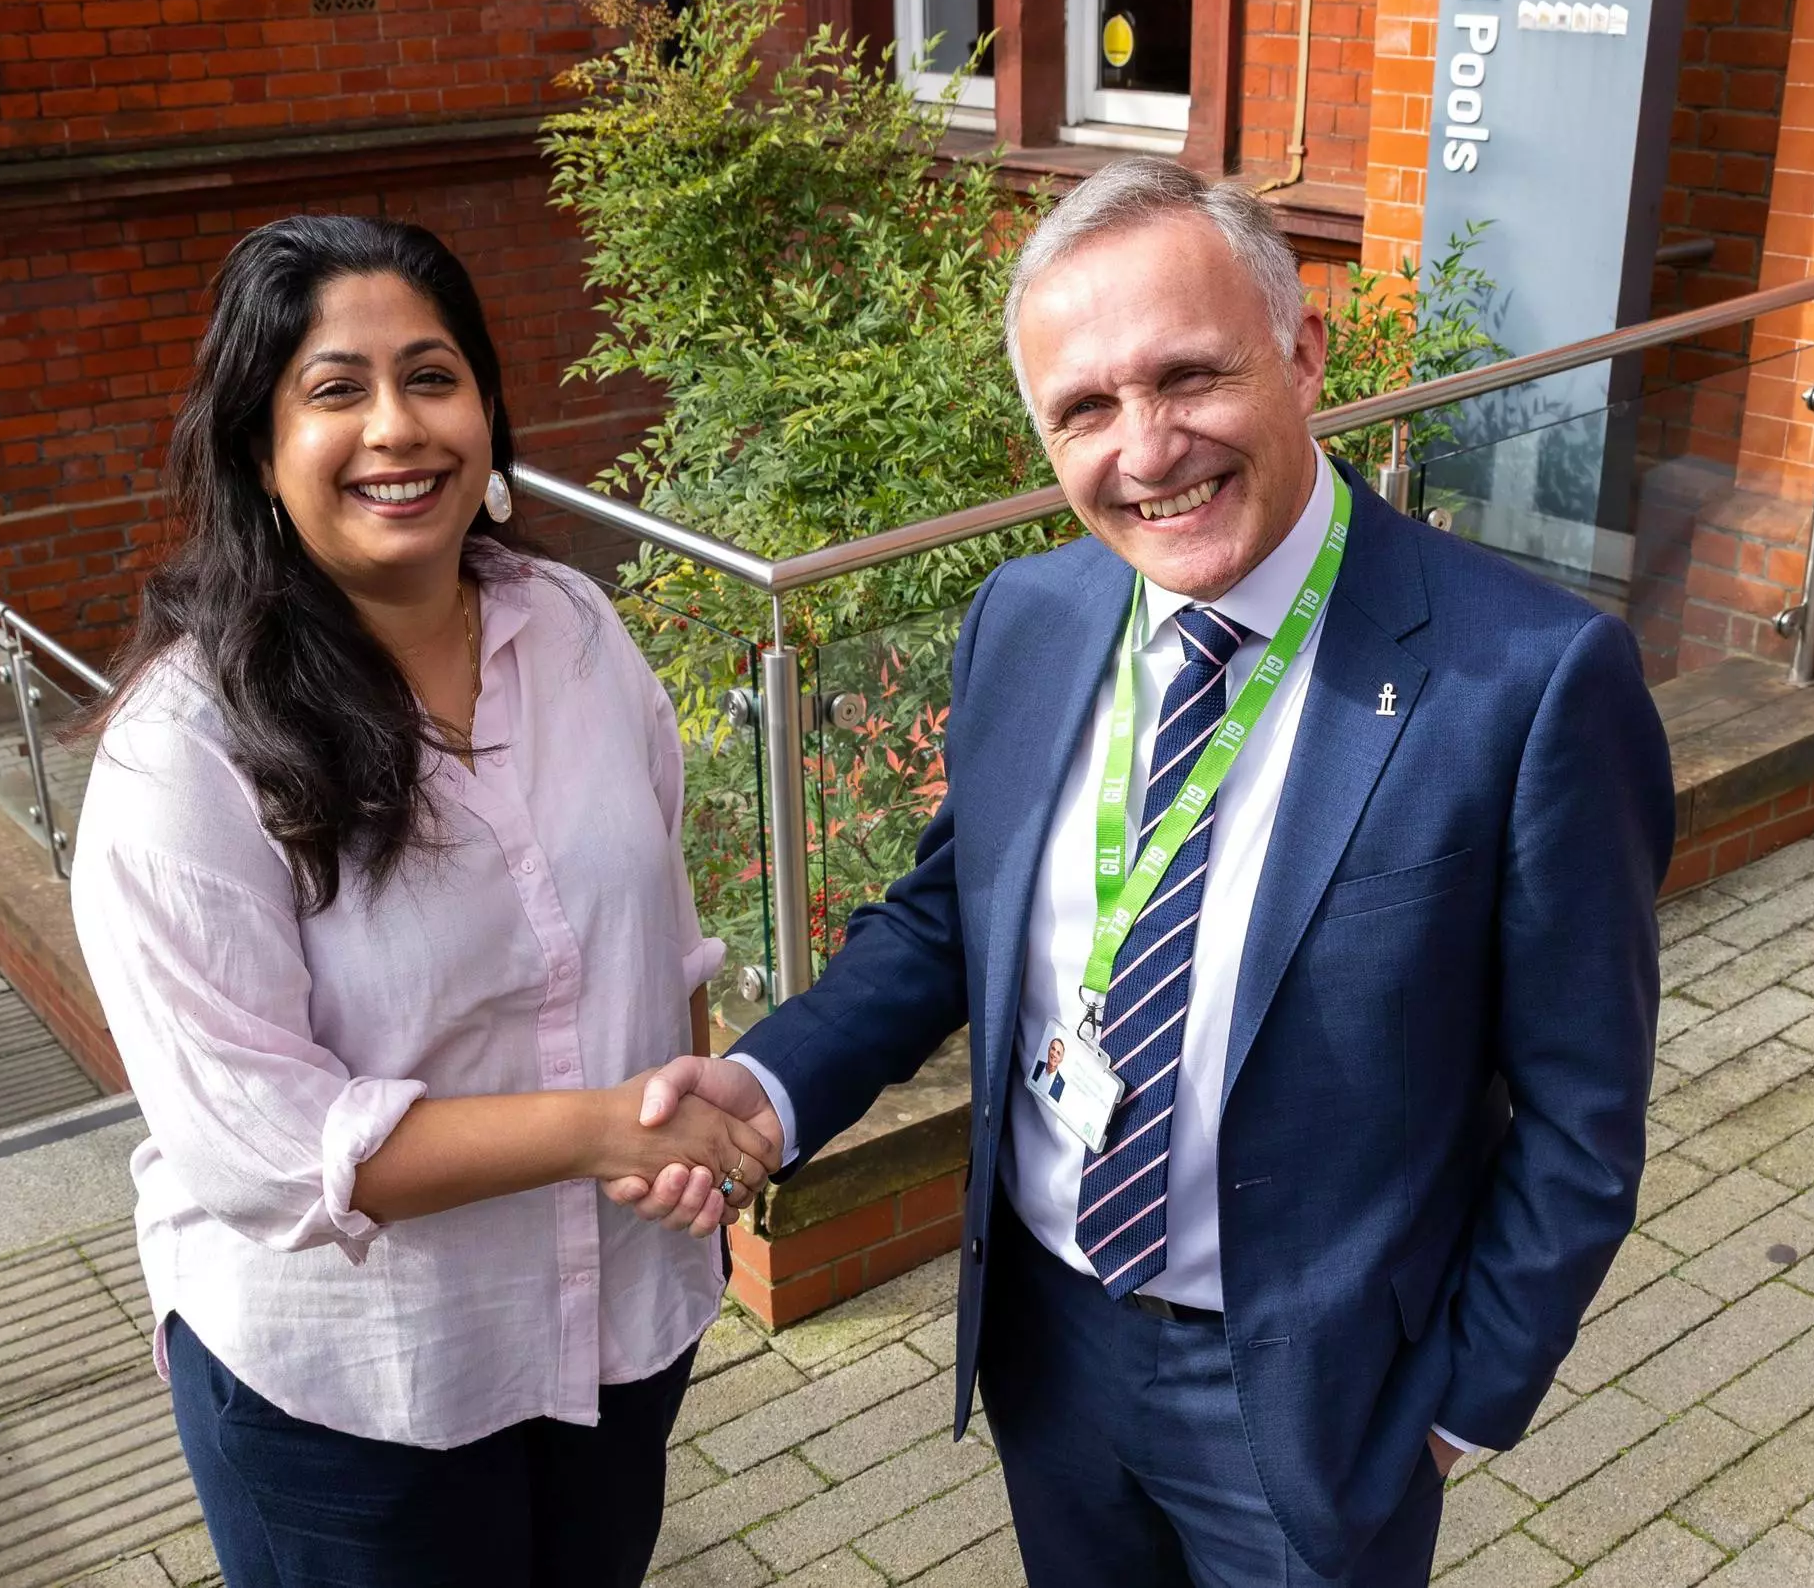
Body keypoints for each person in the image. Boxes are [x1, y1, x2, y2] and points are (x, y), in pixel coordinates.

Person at [608, 160, 1671, 1586]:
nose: (1148, 448)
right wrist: (771, 1082)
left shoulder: (1529, 680)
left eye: (1189, 376)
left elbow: (1582, 1117)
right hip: (1051, 1351)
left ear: (1302, 353)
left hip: (1323, 1402)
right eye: (1086, 409)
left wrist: (1462, 1404)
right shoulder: (1027, 616)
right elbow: (950, 916)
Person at [69, 213, 774, 1588]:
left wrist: (674, 1129)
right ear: (260, 450)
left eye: (433, 377)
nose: (396, 427)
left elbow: (655, 919)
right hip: (361, 1386)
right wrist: (601, 1129)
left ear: (488, 413)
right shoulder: (184, 750)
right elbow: (265, 1146)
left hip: (614, 1323)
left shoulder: (571, 626)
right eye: (335, 389)